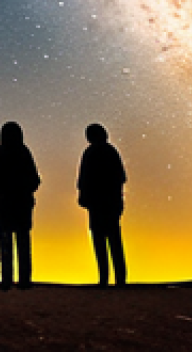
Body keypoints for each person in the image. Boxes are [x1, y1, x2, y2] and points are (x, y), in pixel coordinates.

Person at [0, 121, 40, 290]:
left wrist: (0, 193)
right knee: (22, 243)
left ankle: (7, 279)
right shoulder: (23, 153)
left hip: (4, 207)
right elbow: (34, 180)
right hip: (21, 206)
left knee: (6, 244)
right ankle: (24, 280)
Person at [77, 122, 127, 286]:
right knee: (113, 240)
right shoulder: (109, 151)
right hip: (108, 203)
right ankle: (118, 278)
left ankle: (105, 278)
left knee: (102, 240)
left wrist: (84, 197)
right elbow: (120, 177)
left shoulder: (91, 153)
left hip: (99, 204)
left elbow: (83, 180)